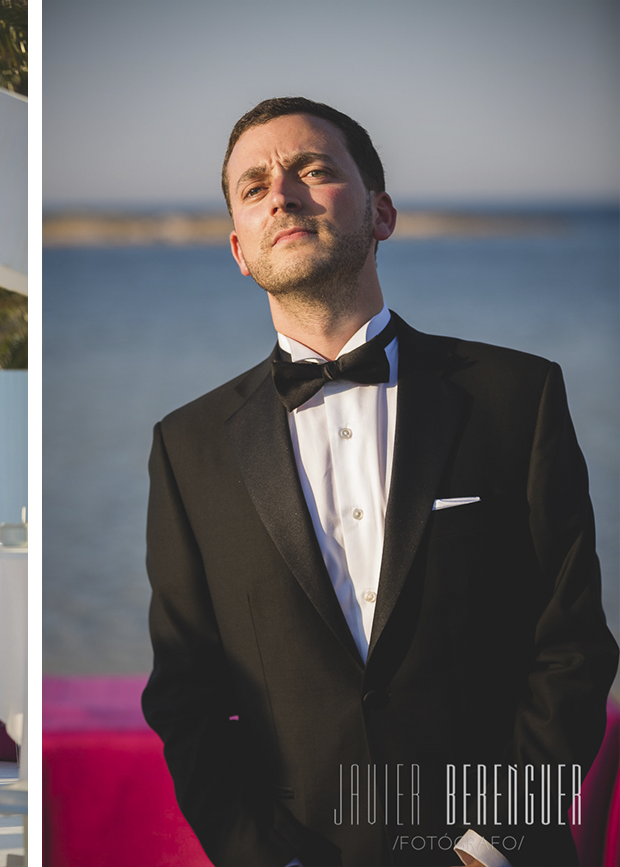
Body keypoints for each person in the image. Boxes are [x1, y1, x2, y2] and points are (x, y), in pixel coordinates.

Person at [141, 97, 618, 867]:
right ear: (238, 247)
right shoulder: (186, 447)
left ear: (382, 212)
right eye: (254, 187)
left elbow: (571, 647)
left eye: (314, 170)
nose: (283, 194)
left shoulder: (517, 397)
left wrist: (487, 847)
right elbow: (186, 698)